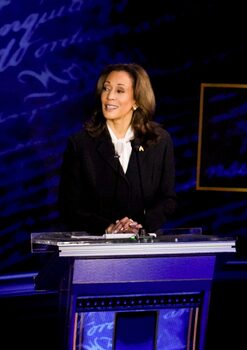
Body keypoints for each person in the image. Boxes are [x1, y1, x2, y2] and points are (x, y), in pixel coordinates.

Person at [59, 63, 176, 236]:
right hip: (97, 245)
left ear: (137, 100)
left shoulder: (159, 141)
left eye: (119, 91)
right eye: (106, 89)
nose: (109, 96)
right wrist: (108, 228)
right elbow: (69, 206)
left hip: (144, 244)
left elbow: (167, 200)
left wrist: (139, 226)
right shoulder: (80, 144)